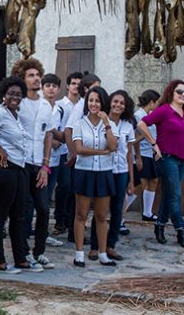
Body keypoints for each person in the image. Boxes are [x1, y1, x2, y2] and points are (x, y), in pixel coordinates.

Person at [0, 76, 42, 274]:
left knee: (19, 216)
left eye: (18, 94)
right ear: (4, 95)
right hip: (1, 169)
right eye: (11, 93)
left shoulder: (15, 115)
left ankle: (21, 259)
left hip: (17, 169)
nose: (15, 97)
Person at [137, 80, 184, 250]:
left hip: (183, 158)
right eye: (179, 92)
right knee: (175, 194)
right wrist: (154, 144)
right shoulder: (164, 111)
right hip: (167, 157)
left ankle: (160, 224)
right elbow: (141, 124)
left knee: (170, 193)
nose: (183, 94)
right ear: (171, 93)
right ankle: (180, 230)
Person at [11, 58, 53, 270]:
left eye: (38, 74)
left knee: (44, 209)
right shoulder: (17, 103)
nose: (36, 78)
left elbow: (48, 135)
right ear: (22, 78)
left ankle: (40, 251)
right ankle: (23, 253)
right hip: (21, 163)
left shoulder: (46, 104)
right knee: (23, 210)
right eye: (31, 75)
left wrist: (45, 165)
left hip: (40, 164)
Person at [71, 86, 118, 267]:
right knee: (81, 214)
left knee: (101, 216)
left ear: (102, 103)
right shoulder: (79, 124)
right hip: (84, 172)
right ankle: (79, 253)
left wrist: (106, 123)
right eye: (90, 100)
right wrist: (101, 151)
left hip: (104, 173)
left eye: (97, 101)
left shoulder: (110, 124)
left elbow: (113, 147)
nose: (93, 104)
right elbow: (79, 149)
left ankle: (103, 253)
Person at [89, 90, 135, 262]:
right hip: (104, 170)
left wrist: (131, 179)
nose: (118, 105)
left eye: (122, 103)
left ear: (126, 107)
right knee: (100, 210)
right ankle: (95, 246)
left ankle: (110, 245)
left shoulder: (128, 126)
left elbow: (129, 154)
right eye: (115, 102)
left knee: (117, 211)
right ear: (110, 103)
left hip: (121, 171)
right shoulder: (101, 121)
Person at [63, 73, 101, 242]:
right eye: (95, 87)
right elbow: (68, 130)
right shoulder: (80, 107)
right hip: (78, 159)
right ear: (86, 89)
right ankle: (73, 231)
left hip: (88, 158)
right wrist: (73, 153)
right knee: (75, 196)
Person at [53, 72, 82, 235]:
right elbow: (54, 126)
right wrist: (56, 140)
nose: (76, 86)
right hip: (62, 150)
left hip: (78, 152)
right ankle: (59, 220)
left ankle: (70, 219)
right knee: (64, 185)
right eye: (73, 83)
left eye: (78, 84)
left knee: (74, 188)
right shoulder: (60, 105)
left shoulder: (83, 105)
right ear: (68, 86)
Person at [40, 73, 65, 248]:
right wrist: (55, 139)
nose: (51, 88)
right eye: (47, 85)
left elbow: (56, 132)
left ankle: (43, 232)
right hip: (40, 160)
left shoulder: (59, 109)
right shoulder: (38, 106)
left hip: (54, 161)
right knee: (35, 200)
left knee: (47, 199)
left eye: (54, 86)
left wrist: (59, 139)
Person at [133, 89, 161, 222]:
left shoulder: (150, 115)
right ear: (152, 102)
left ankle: (148, 212)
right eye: (157, 103)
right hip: (142, 153)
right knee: (140, 184)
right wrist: (137, 156)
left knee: (153, 181)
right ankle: (120, 215)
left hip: (150, 153)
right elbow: (133, 139)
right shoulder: (138, 116)